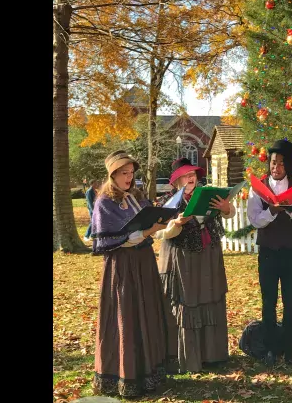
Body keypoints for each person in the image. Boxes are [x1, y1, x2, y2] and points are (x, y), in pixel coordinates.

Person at [90, 150, 170, 397]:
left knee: (145, 312)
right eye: (124, 173)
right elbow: (116, 240)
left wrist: (167, 221)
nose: (129, 177)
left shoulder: (137, 197)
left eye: (131, 173)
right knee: (125, 315)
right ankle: (125, 375)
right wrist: (146, 232)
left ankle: (148, 372)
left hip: (144, 264)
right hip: (122, 267)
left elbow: (151, 224)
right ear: (112, 174)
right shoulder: (105, 203)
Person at [155, 157, 236, 373]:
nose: (191, 177)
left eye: (193, 174)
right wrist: (177, 223)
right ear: (177, 180)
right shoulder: (168, 201)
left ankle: (213, 354)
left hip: (209, 254)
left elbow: (229, 213)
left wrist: (227, 208)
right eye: (186, 175)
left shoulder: (208, 194)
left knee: (210, 296)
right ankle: (189, 357)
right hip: (183, 256)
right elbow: (159, 232)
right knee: (188, 300)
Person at [246, 140, 292, 367]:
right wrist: (271, 210)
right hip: (268, 252)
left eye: (281, 163)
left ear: (288, 166)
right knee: (268, 301)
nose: (276, 167)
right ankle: (270, 348)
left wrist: (290, 209)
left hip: (291, 251)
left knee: (291, 302)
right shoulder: (258, 188)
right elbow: (255, 220)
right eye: (273, 163)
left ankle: (290, 350)